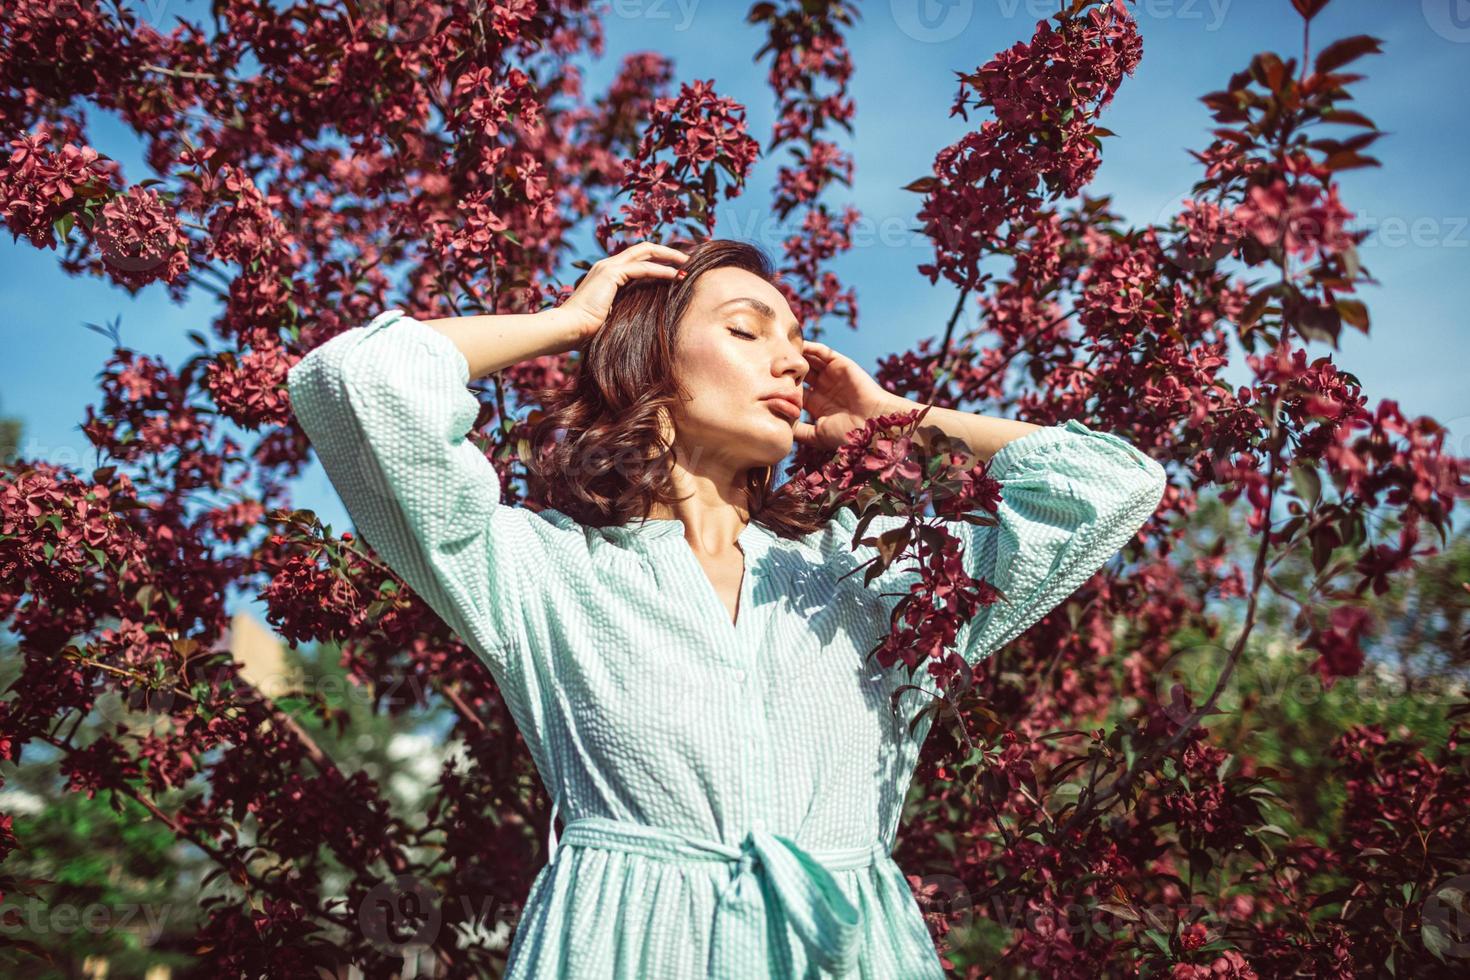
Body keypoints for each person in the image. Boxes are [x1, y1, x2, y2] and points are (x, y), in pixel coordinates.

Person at [286, 238, 1167, 978]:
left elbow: (1111, 484)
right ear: (651, 361)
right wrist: (573, 323)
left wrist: (896, 415)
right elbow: (356, 381)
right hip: (623, 948)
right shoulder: (540, 572)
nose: (792, 358)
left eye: (796, 337)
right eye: (747, 329)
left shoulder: (871, 580)